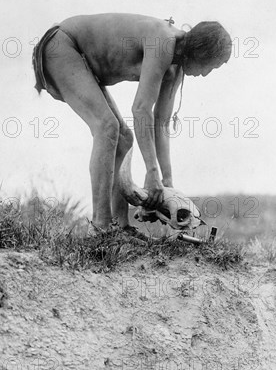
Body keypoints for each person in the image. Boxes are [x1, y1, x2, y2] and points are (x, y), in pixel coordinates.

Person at [32, 13, 232, 232]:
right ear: (199, 53)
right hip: (62, 45)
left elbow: (161, 124)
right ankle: (100, 226)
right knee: (107, 127)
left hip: (80, 57)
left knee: (124, 139)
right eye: (210, 67)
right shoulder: (164, 41)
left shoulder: (177, 67)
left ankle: (120, 227)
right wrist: (151, 173)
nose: (205, 74)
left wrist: (166, 184)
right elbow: (140, 109)